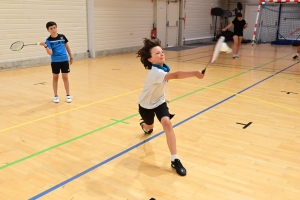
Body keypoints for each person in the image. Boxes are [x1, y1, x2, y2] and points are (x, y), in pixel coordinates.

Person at [136, 38, 205, 176]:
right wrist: (195, 73)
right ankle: (145, 126)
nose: (161, 54)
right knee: (149, 127)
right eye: (157, 53)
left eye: (162, 52)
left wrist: (163, 97)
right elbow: (176, 75)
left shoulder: (163, 68)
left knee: (167, 123)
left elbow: (163, 84)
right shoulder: (155, 72)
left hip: (159, 102)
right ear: (150, 60)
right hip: (146, 106)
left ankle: (175, 159)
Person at [40, 21, 73, 103]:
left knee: (65, 77)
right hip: (55, 61)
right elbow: (50, 53)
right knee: (55, 78)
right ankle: (55, 96)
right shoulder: (48, 40)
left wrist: (71, 57)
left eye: (54, 27)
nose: (53, 30)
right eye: (51, 28)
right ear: (48, 30)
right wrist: (45, 46)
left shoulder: (62, 37)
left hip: (64, 60)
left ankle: (68, 95)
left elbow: (67, 47)